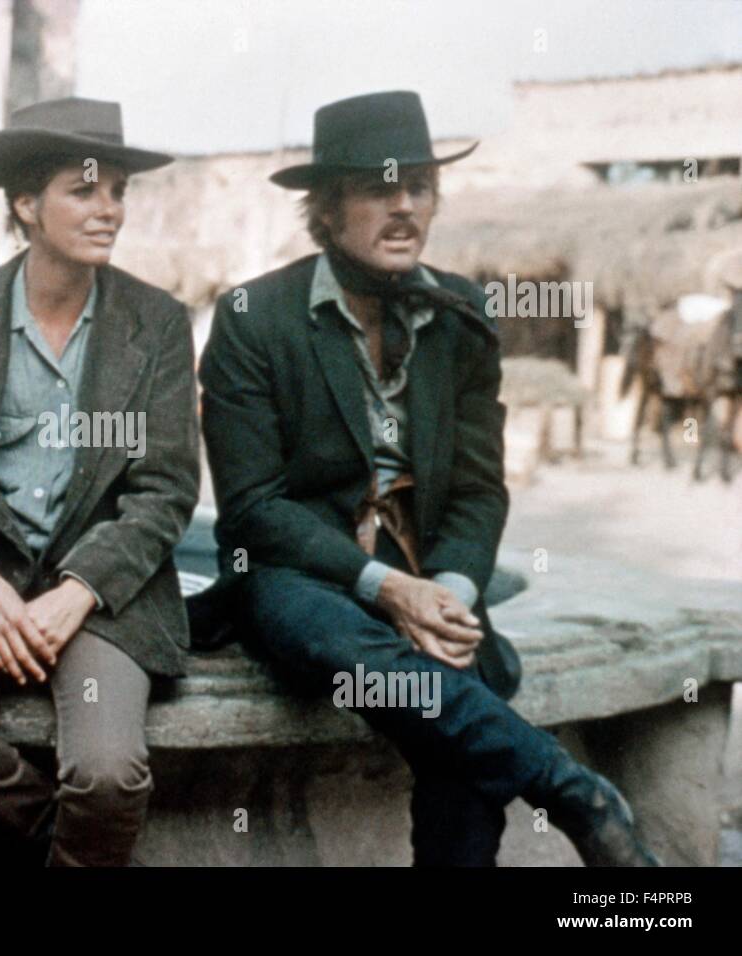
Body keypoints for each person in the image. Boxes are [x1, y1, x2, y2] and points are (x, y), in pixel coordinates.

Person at [197, 90, 657, 866]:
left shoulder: (462, 313)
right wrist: (386, 588)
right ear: (328, 207)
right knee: (336, 631)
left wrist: (449, 592)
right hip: (302, 576)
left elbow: (480, 490)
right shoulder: (255, 317)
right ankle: (576, 793)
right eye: (381, 189)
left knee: (459, 668)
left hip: (427, 577)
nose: (405, 206)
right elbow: (250, 510)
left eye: (420, 186)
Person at [0, 97, 200, 866]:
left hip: (104, 592)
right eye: (85, 190)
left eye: (119, 192)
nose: (110, 211)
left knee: (106, 774)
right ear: (26, 204)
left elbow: (164, 490)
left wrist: (80, 588)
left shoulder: (155, 322)